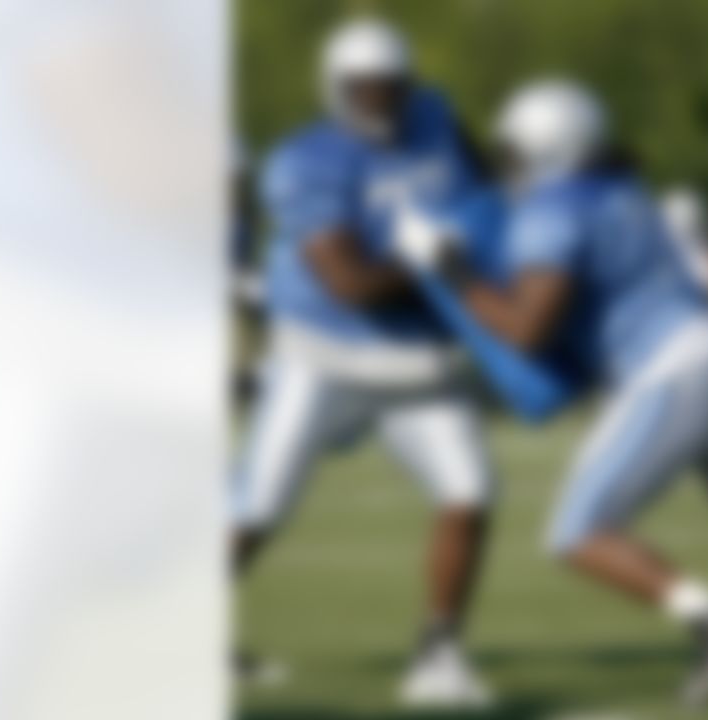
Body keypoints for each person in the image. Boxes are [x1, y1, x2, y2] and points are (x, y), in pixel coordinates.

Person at [392, 79, 708, 705]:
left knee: (578, 531)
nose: (509, 165)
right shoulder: (621, 189)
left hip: (670, 370)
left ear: (551, 149)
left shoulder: (554, 210)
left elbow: (525, 330)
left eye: (517, 152)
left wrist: (451, 268)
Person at [229, 18, 494, 707]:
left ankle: (437, 657)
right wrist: (425, 258)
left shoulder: (434, 114)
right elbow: (347, 282)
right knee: (257, 507)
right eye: (362, 87)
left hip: (421, 361)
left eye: (389, 86)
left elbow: (483, 184)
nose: (377, 99)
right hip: (326, 354)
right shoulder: (304, 161)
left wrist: (486, 224)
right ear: (334, 87)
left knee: (469, 495)